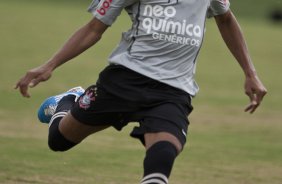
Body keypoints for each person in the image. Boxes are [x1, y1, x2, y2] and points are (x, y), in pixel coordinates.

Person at [15, 0, 267, 183]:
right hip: (123, 81)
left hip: (173, 90)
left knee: (164, 153)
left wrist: (250, 73)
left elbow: (225, 18)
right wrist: (50, 65)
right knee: (58, 141)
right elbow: (94, 29)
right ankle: (68, 100)